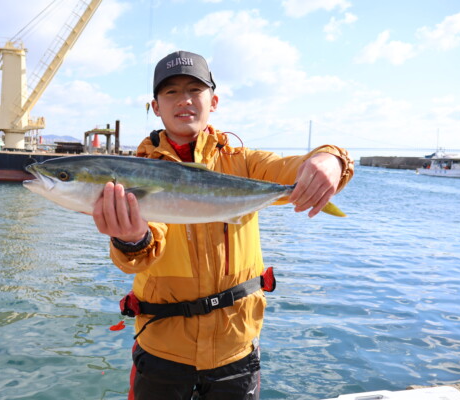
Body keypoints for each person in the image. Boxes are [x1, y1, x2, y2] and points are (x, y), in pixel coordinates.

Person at [92, 50, 354, 400]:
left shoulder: (243, 163)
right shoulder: (137, 174)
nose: (183, 100)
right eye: (170, 92)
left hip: (237, 350)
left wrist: (330, 160)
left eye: (194, 90)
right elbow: (140, 255)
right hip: (163, 354)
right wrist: (130, 239)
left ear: (213, 101)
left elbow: (299, 166)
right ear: (155, 106)